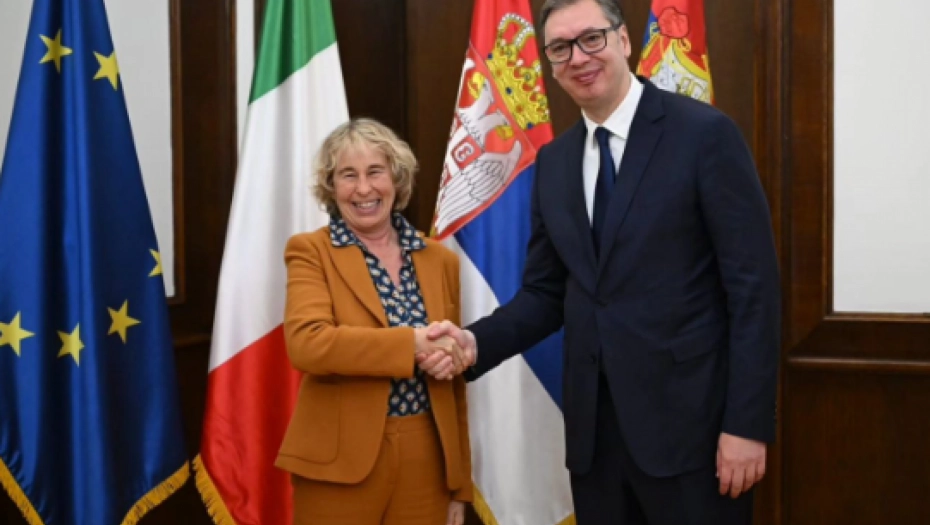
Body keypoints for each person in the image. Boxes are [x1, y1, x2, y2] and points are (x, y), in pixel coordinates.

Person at [423, 0, 780, 523]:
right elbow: (546, 294)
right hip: (596, 445)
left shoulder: (704, 135)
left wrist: (746, 425)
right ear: (548, 62)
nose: (578, 57)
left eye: (591, 38)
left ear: (623, 40)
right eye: (560, 48)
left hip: (695, 437)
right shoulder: (555, 162)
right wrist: (475, 343)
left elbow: (754, 291)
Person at [276, 118, 472, 525]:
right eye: (348, 175)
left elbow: (454, 381)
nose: (363, 189)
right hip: (338, 461)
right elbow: (308, 344)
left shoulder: (440, 260)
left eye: (375, 172)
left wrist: (459, 485)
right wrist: (413, 343)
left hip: (427, 459)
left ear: (396, 179)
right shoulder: (311, 251)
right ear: (331, 187)